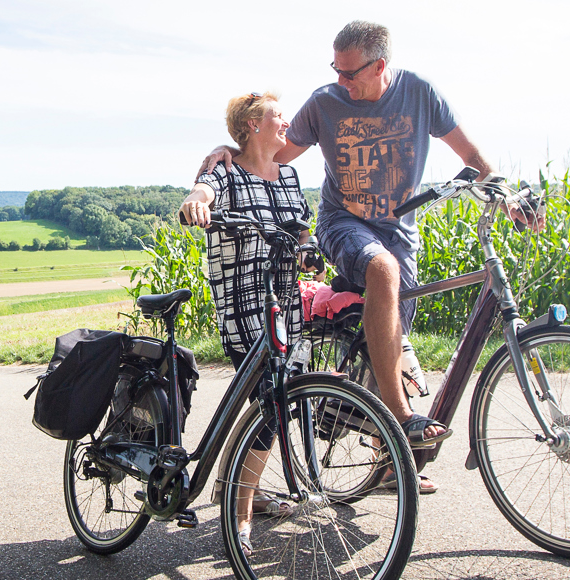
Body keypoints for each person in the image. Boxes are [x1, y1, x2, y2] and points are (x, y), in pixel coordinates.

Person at [197, 21, 543, 494]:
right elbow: (273, 154)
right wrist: (228, 154)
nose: (341, 81)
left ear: (380, 65)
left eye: (350, 73)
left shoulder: (420, 93)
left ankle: (385, 465)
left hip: (400, 233)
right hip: (343, 224)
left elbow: (474, 158)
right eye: (335, 70)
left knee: (394, 339)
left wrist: (503, 195)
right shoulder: (324, 103)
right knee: (383, 269)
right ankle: (401, 420)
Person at [179, 91, 309, 554]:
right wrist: (198, 197)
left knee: (283, 400)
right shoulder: (226, 170)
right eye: (278, 116)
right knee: (270, 403)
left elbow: (301, 227)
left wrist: (309, 250)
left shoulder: (289, 174)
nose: (286, 122)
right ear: (253, 125)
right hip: (244, 302)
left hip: (286, 302)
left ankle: (234, 484)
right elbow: (205, 188)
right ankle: (240, 514)